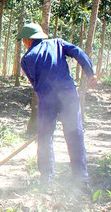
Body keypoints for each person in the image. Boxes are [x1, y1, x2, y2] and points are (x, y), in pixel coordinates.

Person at [17, 22, 98, 187]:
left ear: (27, 40)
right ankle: (81, 179)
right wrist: (90, 73)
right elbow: (78, 52)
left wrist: (52, 109)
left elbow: (36, 84)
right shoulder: (57, 43)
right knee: (75, 134)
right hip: (69, 96)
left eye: (24, 41)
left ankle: (46, 181)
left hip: (47, 99)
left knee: (45, 138)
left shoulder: (26, 59)